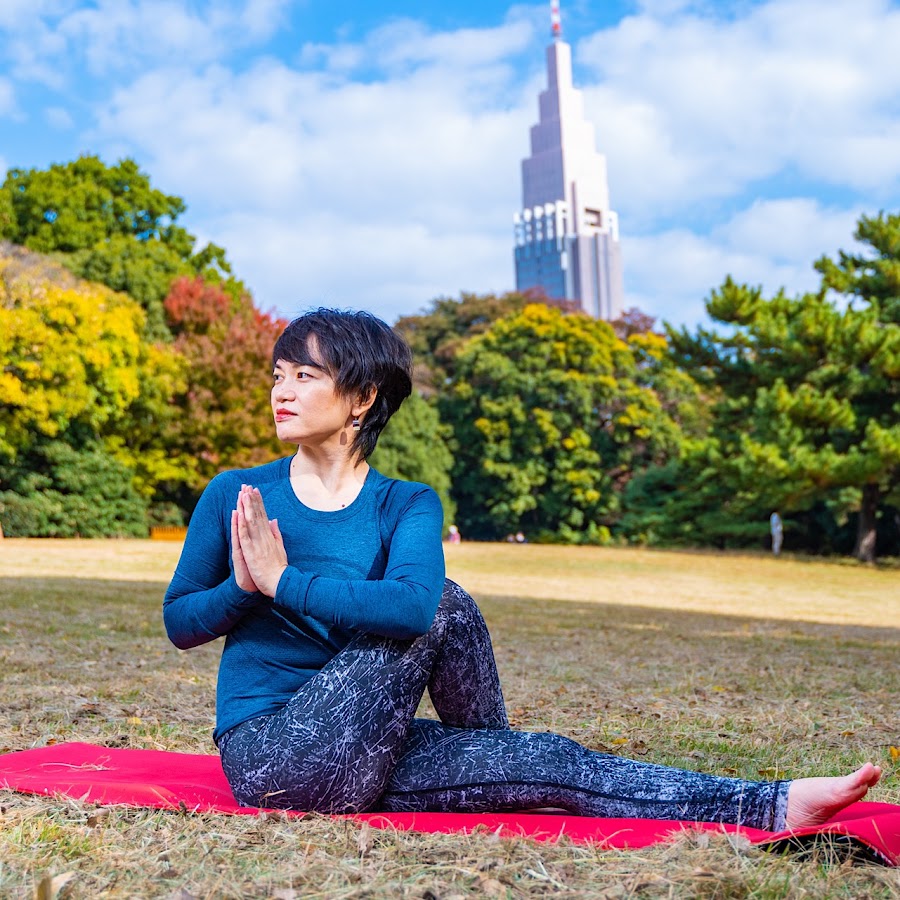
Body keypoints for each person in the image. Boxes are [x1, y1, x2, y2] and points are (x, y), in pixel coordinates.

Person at [164, 308, 881, 830]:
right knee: (444, 600)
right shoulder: (237, 493)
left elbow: (413, 611)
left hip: (369, 740)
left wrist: (287, 583)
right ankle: (496, 756)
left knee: (549, 757)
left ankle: (773, 805)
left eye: (305, 375)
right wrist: (247, 586)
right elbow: (180, 621)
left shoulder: (405, 503)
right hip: (276, 756)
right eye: (278, 375)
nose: (282, 390)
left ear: (362, 398)